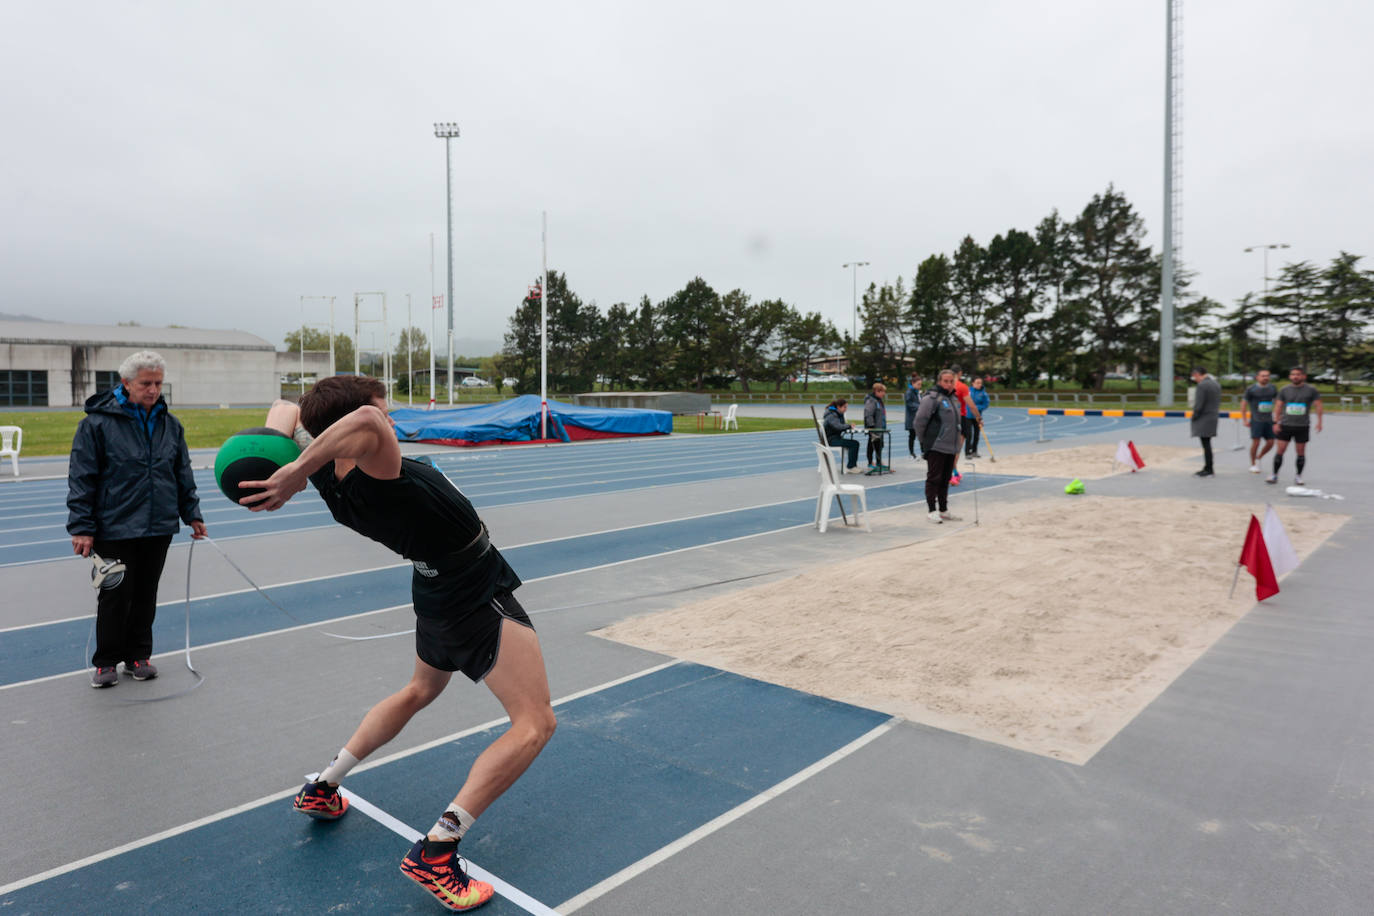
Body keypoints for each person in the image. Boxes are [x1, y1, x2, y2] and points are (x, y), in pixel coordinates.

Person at [243, 377, 556, 912]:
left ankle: (324, 785)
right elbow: (363, 423)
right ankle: (439, 849)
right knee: (535, 723)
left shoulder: (328, 472)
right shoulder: (372, 466)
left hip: (433, 587)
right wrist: (292, 472)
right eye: (383, 413)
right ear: (356, 423)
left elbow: (284, 407)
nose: (389, 422)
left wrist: (275, 457)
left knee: (418, 690)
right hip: (472, 593)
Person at [66, 351, 207, 689]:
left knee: (146, 593)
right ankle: (105, 662)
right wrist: (82, 527)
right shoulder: (96, 424)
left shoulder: (170, 425)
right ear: (126, 383)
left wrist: (193, 514)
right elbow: (82, 477)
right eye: (146, 383)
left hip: (158, 525)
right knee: (114, 594)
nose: (153, 390)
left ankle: (138, 656)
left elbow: (181, 473)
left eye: (158, 383)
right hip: (113, 525)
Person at [913, 369, 963, 524]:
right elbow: (919, 421)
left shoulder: (954, 398)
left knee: (945, 479)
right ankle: (931, 510)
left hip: (951, 446)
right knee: (934, 478)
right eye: (945, 381)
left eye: (951, 381)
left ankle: (943, 510)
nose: (948, 384)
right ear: (939, 381)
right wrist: (925, 442)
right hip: (936, 445)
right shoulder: (931, 398)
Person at [1267, 366, 1323, 486]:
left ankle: (1298, 476)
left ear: (1304, 376)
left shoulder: (1311, 390)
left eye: (1298, 374)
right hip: (1285, 425)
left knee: (1301, 452)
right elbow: (1278, 406)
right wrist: (1276, 422)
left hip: (1302, 426)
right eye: (1293, 374)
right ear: (1290, 376)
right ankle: (1274, 474)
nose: (1295, 376)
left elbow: (1318, 405)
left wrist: (1319, 422)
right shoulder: (1284, 390)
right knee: (1280, 450)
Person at [1241, 369, 1278, 473]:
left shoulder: (1272, 388)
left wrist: (1277, 417)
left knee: (1271, 442)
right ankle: (1253, 464)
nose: (1265, 378)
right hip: (1256, 420)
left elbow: (1278, 403)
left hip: (1269, 420)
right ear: (1257, 377)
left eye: (1267, 376)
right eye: (1263, 376)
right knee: (1256, 442)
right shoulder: (1251, 389)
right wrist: (1244, 419)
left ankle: (1259, 457)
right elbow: (1244, 404)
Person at [1190, 366, 1221, 477]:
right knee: (1207, 444)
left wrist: (1194, 416)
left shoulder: (1202, 385)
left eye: (1194, 377)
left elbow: (1199, 404)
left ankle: (1209, 468)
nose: (1195, 379)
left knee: (1206, 445)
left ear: (1197, 374)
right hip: (1213, 417)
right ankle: (1208, 467)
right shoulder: (1215, 384)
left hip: (1204, 418)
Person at [948, 364, 981, 466]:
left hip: (947, 417)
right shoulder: (962, 387)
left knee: (947, 446)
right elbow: (971, 405)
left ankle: (947, 470)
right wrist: (978, 417)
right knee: (957, 446)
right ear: (960, 373)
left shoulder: (945, 385)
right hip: (960, 417)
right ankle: (953, 470)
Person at [822, 397, 860, 472]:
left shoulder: (837, 414)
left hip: (834, 438)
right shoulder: (831, 415)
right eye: (845, 407)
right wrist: (849, 426)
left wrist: (848, 426)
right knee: (854, 444)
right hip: (831, 440)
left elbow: (841, 425)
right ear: (838, 407)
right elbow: (838, 426)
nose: (846, 409)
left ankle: (852, 466)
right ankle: (851, 467)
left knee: (854, 443)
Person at [863, 382, 889, 473]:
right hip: (874, 427)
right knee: (872, 445)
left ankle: (878, 462)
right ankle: (870, 462)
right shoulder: (871, 401)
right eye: (882, 392)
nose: (884, 394)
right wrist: (871, 426)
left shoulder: (879, 400)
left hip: (880, 427)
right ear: (877, 391)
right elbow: (868, 414)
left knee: (879, 445)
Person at [966, 377, 991, 458]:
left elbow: (986, 404)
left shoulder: (983, 393)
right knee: (968, 434)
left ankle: (974, 451)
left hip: (977, 416)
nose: (979, 384)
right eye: (977, 383)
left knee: (976, 435)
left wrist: (977, 408)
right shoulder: (968, 391)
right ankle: (967, 452)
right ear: (973, 383)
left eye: (980, 383)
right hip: (968, 415)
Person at [902, 374, 923, 458]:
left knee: (921, 435)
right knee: (912, 436)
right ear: (913, 383)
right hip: (912, 418)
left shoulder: (918, 392)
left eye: (921, 384)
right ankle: (912, 452)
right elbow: (909, 404)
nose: (920, 386)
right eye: (918, 384)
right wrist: (920, 406)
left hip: (919, 418)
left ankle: (923, 452)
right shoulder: (909, 392)